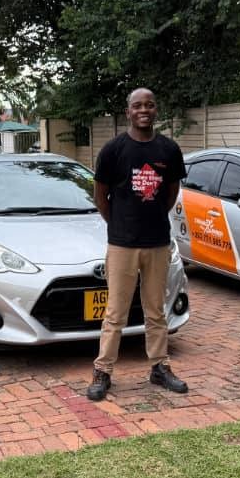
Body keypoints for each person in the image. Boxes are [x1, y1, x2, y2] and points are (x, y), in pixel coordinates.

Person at [87, 87, 188, 401]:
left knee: (156, 310)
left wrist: (151, 219)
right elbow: (100, 196)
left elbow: (171, 193)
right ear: (128, 111)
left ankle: (159, 367)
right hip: (122, 244)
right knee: (115, 313)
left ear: (156, 110)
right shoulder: (113, 150)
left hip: (157, 242)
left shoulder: (169, 149)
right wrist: (119, 225)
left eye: (150, 105)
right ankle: (103, 371)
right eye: (137, 105)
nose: (144, 110)